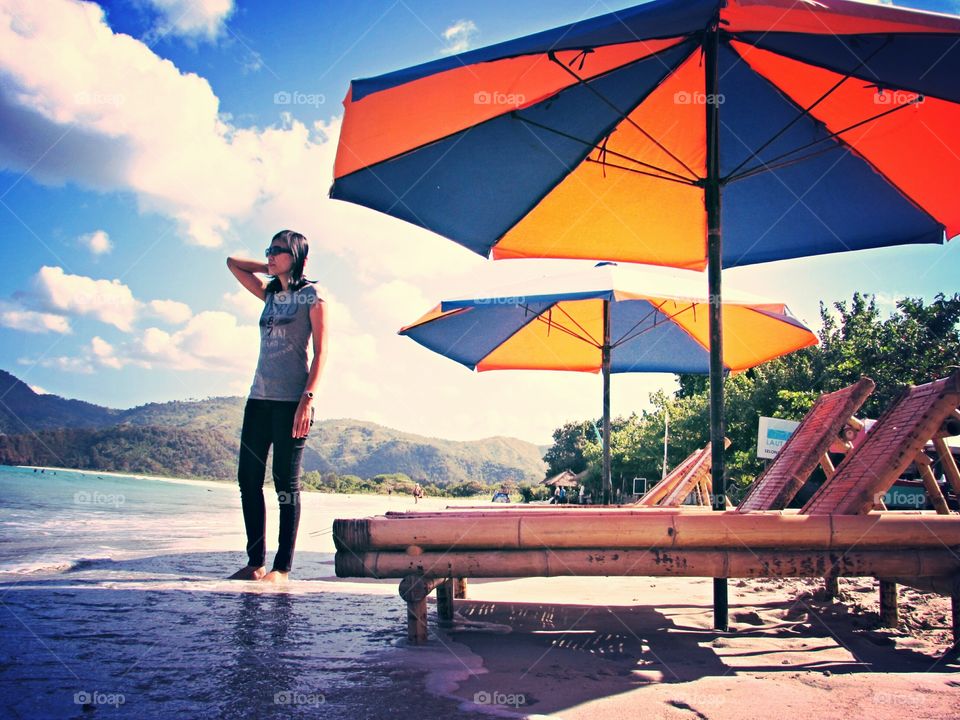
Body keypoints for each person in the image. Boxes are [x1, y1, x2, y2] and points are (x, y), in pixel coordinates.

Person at [226, 230, 326, 583]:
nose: (270, 255)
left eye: (279, 251)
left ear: (298, 256)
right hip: (259, 399)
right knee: (248, 481)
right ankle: (255, 563)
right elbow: (232, 263)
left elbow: (321, 353)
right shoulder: (269, 293)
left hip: (291, 403)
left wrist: (307, 400)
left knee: (286, 484)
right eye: (269, 249)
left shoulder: (311, 297)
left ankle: (282, 568)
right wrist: (273, 266)